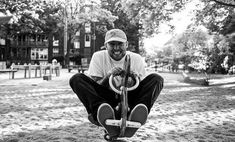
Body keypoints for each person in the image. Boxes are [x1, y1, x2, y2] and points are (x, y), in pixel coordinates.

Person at [69, 29, 164, 137]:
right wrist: (108, 76)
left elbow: (142, 88)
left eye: (120, 44)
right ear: (106, 45)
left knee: (157, 79)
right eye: (112, 44)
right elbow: (96, 86)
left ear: (126, 44)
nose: (116, 48)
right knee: (76, 79)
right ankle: (101, 111)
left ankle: (138, 111)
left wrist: (133, 80)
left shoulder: (136, 58)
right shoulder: (98, 56)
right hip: (107, 99)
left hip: (130, 98)